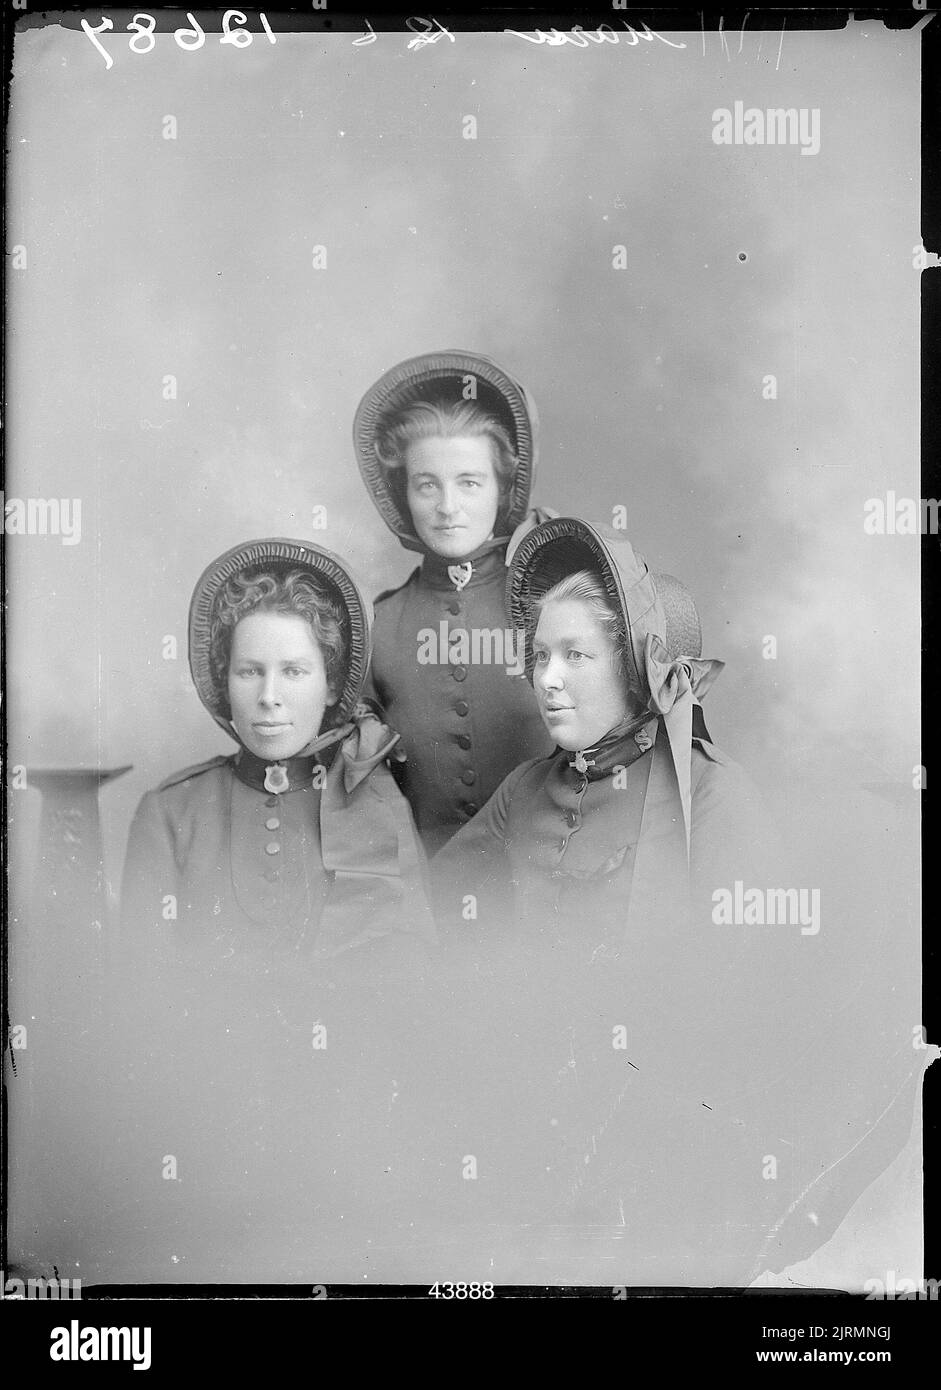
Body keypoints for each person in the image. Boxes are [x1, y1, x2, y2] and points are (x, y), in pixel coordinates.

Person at [426, 517, 915, 1285]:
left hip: (667, 1126)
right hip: (532, 1108)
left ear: (633, 668)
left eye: (575, 656)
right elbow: (431, 910)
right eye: (540, 657)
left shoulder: (712, 795)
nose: (547, 679)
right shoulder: (523, 791)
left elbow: (754, 994)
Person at [114, 538, 435, 1281]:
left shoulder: (373, 805)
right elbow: (141, 1005)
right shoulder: (170, 813)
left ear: (329, 687)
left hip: (351, 1144)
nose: (268, 697)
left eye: (293, 672)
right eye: (249, 671)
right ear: (221, 683)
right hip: (203, 1148)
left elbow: (411, 989)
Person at [353, 350, 555, 854]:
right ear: (403, 494)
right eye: (427, 485)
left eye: (469, 482)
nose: (447, 508)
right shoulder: (380, 626)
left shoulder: (554, 602)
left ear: (503, 489)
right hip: (429, 911)